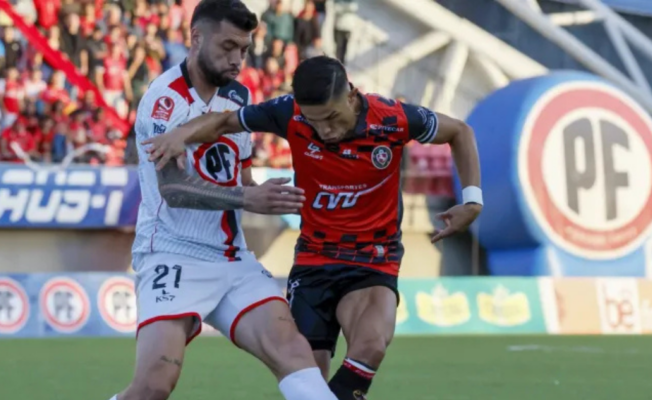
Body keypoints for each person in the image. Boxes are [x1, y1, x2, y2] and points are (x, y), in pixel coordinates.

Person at [143, 55, 484, 400]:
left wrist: (471, 200)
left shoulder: (393, 119)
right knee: (308, 377)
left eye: (333, 118)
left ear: (351, 96)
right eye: (314, 122)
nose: (326, 131)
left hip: (373, 257)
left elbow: (459, 131)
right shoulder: (287, 113)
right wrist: (179, 134)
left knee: (370, 347)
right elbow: (224, 122)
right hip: (314, 260)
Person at [109, 2, 340, 400]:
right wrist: (248, 197)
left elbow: (241, 173)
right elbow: (175, 190)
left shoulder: (239, 95)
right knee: (154, 384)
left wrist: (269, 193)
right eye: (228, 46)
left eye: (245, 50)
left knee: (292, 350)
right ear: (196, 38)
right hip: (171, 253)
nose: (237, 59)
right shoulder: (164, 101)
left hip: (231, 258)